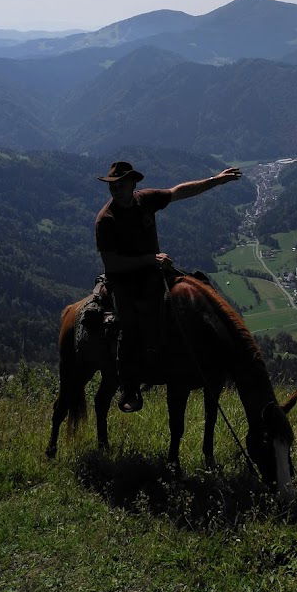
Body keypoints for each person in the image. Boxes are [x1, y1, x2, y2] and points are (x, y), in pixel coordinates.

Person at [94, 159, 242, 413]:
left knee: (199, 290)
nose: (115, 189)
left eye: (120, 184)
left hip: (154, 272)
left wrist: (215, 181)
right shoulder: (106, 220)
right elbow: (111, 263)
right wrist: (149, 259)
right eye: (112, 185)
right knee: (129, 324)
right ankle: (129, 386)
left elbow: (178, 191)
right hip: (124, 281)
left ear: (132, 183)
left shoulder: (146, 200)